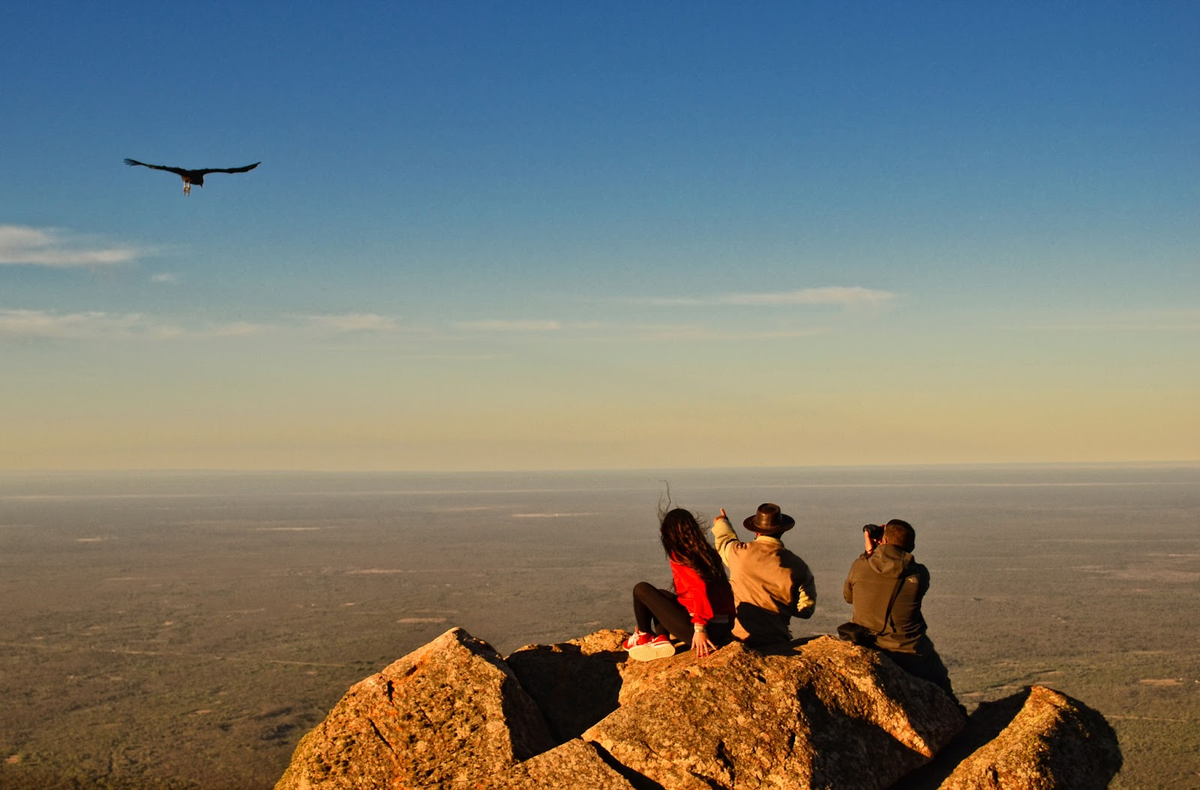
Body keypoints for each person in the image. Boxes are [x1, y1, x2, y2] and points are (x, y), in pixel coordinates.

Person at [842, 519, 960, 705]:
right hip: (911, 650)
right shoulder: (919, 574)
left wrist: (869, 553)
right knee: (941, 682)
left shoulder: (860, 565)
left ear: (884, 541)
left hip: (869, 644)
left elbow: (849, 597)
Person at [623, 507, 735, 662]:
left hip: (703, 631)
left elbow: (699, 589)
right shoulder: (708, 554)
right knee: (662, 595)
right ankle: (661, 638)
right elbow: (724, 592)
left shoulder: (682, 556)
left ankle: (644, 635)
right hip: (720, 628)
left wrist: (700, 629)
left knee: (641, 589)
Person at [711, 503, 817, 646]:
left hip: (740, 636)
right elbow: (805, 610)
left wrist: (722, 522)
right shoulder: (798, 565)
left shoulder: (738, 554)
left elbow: (725, 542)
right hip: (777, 638)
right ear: (782, 531)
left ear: (756, 531)